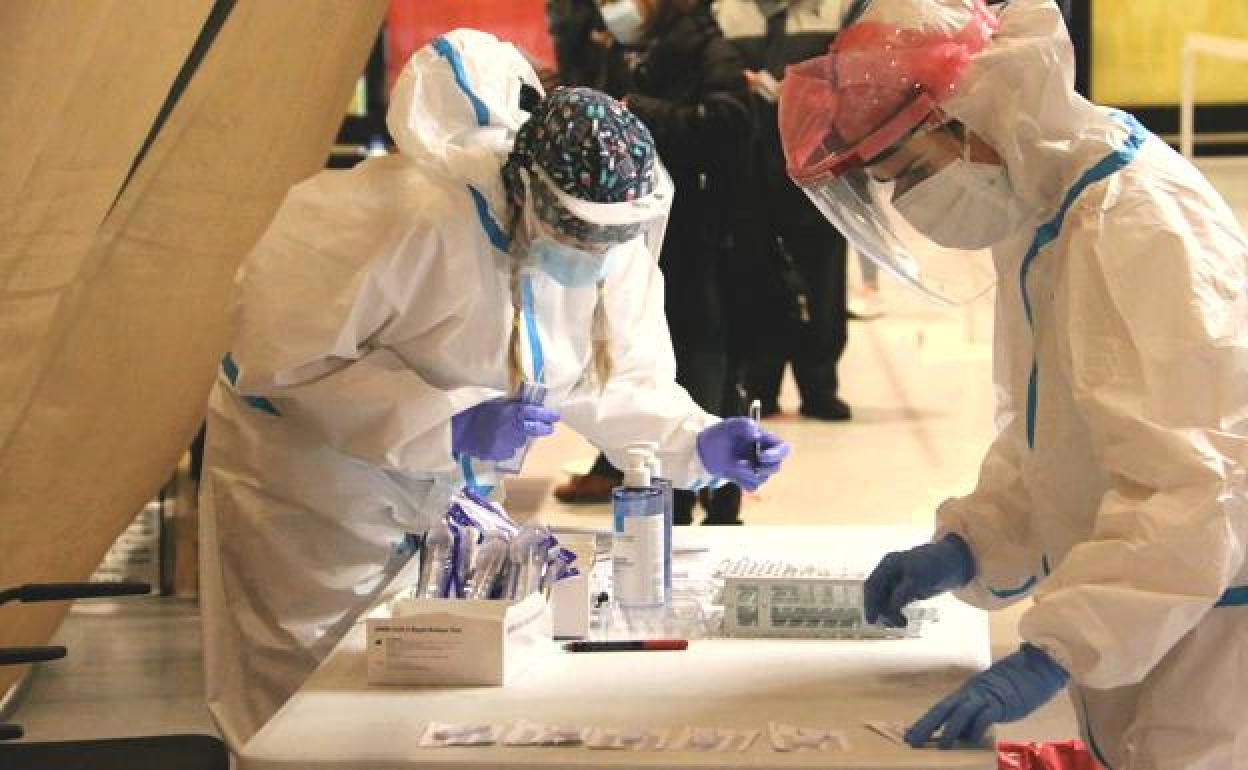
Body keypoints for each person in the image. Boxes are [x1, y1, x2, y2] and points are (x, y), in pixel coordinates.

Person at [198, 29, 789, 750]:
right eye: (578, 236)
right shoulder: (407, 218)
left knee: (425, 691)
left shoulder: (608, 240)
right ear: (528, 190)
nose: (593, 258)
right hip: (316, 492)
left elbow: (615, 376)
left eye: (609, 242)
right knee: (311, 698)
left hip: (448, 493)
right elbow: (280, 362)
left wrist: (696, 439)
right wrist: (446, 422)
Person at [779, 0, 1248, 766]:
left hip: (1208, 634)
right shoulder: (1045, 207)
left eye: (915, 171)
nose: (915, 202)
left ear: (979, 111)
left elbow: (1201, 486)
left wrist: (1063, 648)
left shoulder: (1139, 224)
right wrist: (975, 541)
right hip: (1155, 618)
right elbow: (1060, 435)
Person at [553, 0, 758, 526]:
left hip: (695, 230)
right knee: (626, 345)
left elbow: (731, 123)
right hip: (624, 226)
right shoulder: (621, 50)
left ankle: (709, 492)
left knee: (697, 352)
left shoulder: (708, 50)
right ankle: (651, 474)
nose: (614, 8)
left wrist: (643, 110)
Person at [715, 0, 854, 419]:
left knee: (822, 277)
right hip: (745, 168)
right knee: (753, 272)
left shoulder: (836, 9)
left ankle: (819, 383)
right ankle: (760, 384)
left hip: (816, 170)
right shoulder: (725, 11)